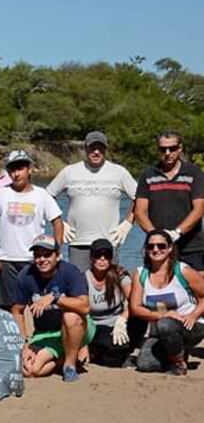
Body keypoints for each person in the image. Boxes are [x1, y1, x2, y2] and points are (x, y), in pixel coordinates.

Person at [0, 150, 64, 310]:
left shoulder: (42, 195)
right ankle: (12, 335)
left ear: (30, 169)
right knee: (8, 307)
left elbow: (58, 223)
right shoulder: (0, 195)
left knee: (39, 306)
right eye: (12, 169)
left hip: (34, 260)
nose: (16, 173)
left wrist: (56, 252)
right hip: (6, 259)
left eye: (20, 168)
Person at [46, 131, 137, 272]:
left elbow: (139, 198)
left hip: (109, 242)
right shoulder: (69, 171)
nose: (96, 152)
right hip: (77, 242)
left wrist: (128, 222)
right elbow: (47, 196)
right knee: (78, 287)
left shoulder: (119, 172)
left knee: (109, 286)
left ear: (105, 149)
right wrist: (59, 222)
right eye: (92, 147)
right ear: (85, 148)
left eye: (100, 148)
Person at [11, 235, 91, 382]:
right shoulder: (25, 276)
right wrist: (24, 345)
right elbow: (17, 311)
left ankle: (70, 365)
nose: (42, 259)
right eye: (37, 255)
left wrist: (56, 298)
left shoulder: (70, 272)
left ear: (58, 256)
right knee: (30, 370)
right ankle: (62, 358)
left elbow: (85, 307)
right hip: (45, 333)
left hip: (76, 327)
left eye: (47, 254)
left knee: (70, 316)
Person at [129, 229, 204, 376]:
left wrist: (194, 315)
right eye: (151, 246)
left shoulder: (182, 270)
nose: (156, 250)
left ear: (170, 248)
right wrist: (164, 314)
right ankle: (176, 351)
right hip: (159, 332)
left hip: (189, 326)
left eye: (161, 246)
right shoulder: (140, 273)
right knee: (145, 364)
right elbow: (135, 308)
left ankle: (178, 361)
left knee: (166, 324)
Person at [134, 130, 204, 272]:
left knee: (198, 291)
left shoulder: (194, 173)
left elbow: (199, 209)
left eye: (172, 148)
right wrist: (156, 237)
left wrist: (177, 233)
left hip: (191, 248)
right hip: (157, 249)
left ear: (180, 148)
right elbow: (139, 212)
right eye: (163, 149)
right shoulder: (148, 174)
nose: (167, 153)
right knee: (157, 290)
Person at [83, 238, 136, 367]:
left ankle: (123, 351)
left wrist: (122, 320)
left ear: (111, 258)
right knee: (115, 348)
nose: (102, 259)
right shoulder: (83, 278)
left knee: (139, 316)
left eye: (106, 255)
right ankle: (97, 352)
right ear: (91, 258)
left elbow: (134, 301)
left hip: (118, 323)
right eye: (98, 255)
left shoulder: (120, 275)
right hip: (95, 325)